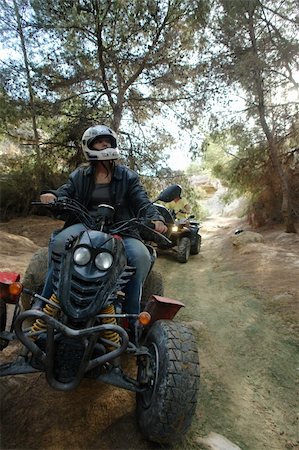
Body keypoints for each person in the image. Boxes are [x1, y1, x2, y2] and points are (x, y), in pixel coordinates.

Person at [39, 124, 167, 321]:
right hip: (86, 223)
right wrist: (52, 196)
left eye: (108, 141)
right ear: (89, 146)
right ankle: (45, 302)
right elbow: (65, 192)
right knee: (59, 243)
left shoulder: (128, 176)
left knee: (141, 256)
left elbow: (141, 201)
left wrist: (155, 218)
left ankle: (131, 316)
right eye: (99, 141)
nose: (105, 144)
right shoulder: (80, 175)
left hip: (122, 228)